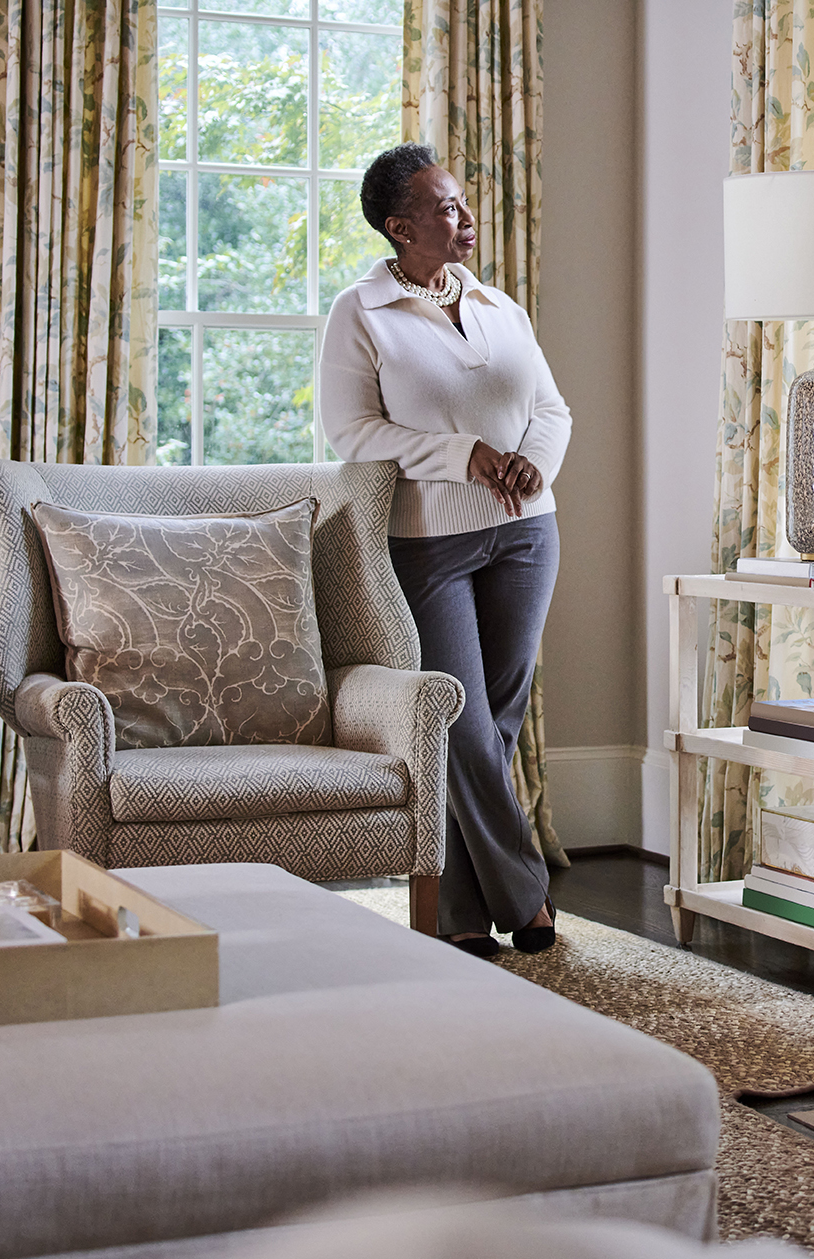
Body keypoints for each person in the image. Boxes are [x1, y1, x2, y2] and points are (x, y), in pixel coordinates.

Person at [318, 142, 568, 957]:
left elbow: (552, 409)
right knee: (458, 720)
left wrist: (534, 461)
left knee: (496, 722)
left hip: (527, 531)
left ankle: (458, 910)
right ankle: (527, 894)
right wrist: (464, 454)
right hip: (429, 539)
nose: (466, 218)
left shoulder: (499, 305)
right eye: (445, 208)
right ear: (400, 227)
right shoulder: (362, 312)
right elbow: (352, 433)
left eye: (462, 202)